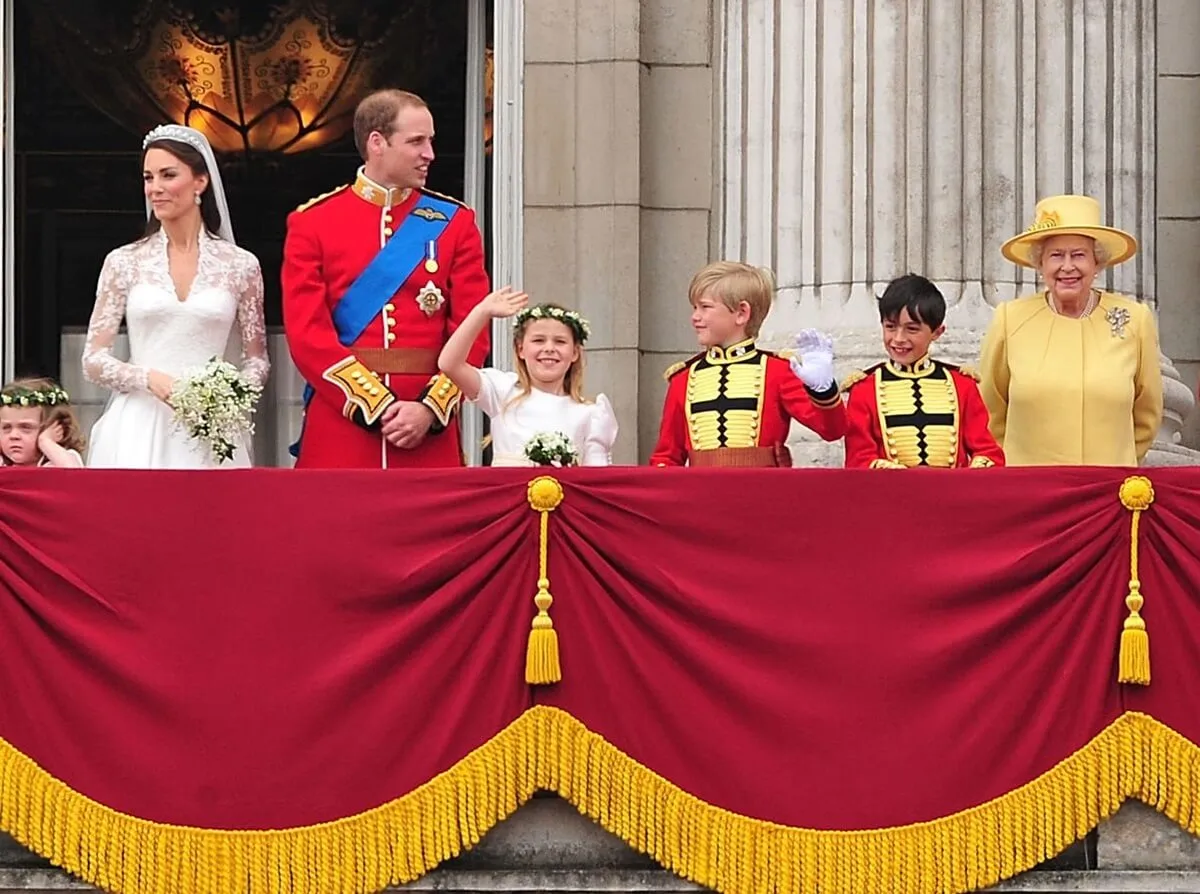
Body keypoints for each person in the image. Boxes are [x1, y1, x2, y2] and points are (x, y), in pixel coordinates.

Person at [282, 89, 490, 468]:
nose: (430, 154)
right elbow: (307, 334)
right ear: (377, 142)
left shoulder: (455, 223)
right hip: (343, 425)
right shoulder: (312, 223)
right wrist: (373, 405)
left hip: (426, 430)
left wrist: (430, 408)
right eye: (416, 141)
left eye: (430, 141)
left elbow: (473, 330)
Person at [81, 124, 269, 468]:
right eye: (148, 178)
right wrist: (151, 379)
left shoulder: (241, 266)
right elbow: (93, 360)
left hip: (211, 429)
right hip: (137, 424)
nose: (155, 188)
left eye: (168, 175)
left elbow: (257, 360)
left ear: (200, 181)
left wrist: (226, 394)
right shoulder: (123, 261)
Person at [980, 195, 1163, 466]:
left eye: (1079, 255)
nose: (1068, 267)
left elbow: (1147, 414)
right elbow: (989, 408)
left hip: (1107, 489)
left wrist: (1118, 464)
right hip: (1031, 489)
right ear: (1040, 264)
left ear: (1096, 264)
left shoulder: (1134, 320)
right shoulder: (1010, 318)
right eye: (1056, 255)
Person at [649, 261, 845, 467]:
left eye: (705, 307)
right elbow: (667, 456)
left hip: (762, 494)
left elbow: (832, 431)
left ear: (742, 313)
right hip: (700, 495)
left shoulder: (777, 371)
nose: (695, 317)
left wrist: (823, 391)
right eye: (695, 308)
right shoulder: (683, 379)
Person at [437, 289, 618, 466]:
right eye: (538, 340)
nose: (549, 348)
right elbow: (450, 364)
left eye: (560, 342)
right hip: (507, 494)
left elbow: (596, 477)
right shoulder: (503, 391)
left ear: (575, 353)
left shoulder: (590, 413)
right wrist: (482, 312)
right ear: (520, 349)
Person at [841, 274, 1004, 469]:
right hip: (890, 495)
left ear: (937, 332)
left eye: (911, 329)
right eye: (890, 327)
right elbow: (858, 460)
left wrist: (980, 466)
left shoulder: (962, 385)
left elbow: (987, 451)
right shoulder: (864, 389)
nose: (898, 338)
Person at [0, 378, 85, 467]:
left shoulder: (59, 460)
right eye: (6, 428)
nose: (14, 436)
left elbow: (74, 473)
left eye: (25, 427)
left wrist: (46, 442)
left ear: (57, 429)